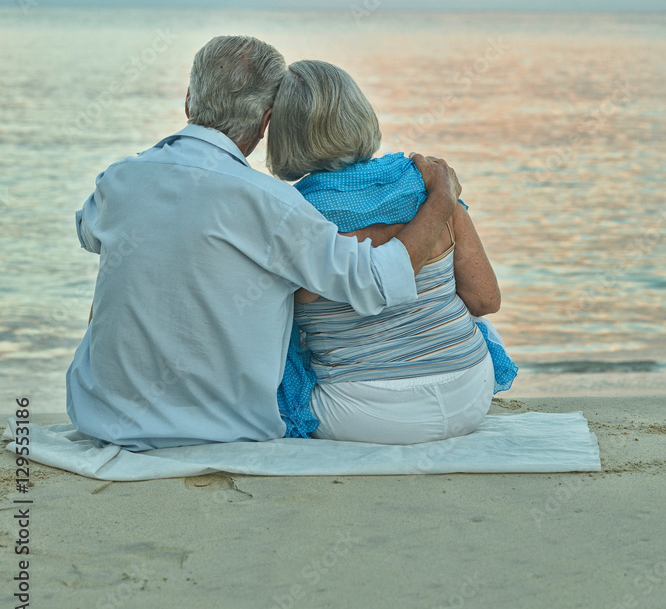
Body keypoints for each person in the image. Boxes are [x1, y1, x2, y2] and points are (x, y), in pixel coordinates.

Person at [66, 35, 460, 451]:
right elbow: (376, 281)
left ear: (187, 101)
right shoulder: (271, 203)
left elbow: (89, 233)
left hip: (101, 417)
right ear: (266, 121)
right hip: (223, 429)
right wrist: (441, 200)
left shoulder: (120, 179)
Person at [267, 59, 517, 445]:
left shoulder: (292, 214)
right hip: (469, 394)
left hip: (357, 415)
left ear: (283, 136)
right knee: (475, 322)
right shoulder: (431, 186)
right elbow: (485, 300)